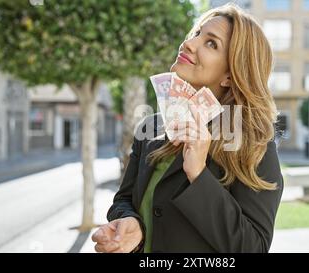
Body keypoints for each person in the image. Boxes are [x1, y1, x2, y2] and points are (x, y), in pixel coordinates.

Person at [92, 3, 284, 253]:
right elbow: (124, 199)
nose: (190, 44)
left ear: (229, 75)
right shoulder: (151, 127)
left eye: (211, 43)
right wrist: (133, 224)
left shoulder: (253, 145)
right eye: (196, 34)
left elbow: (253, 247)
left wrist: (198, 174)